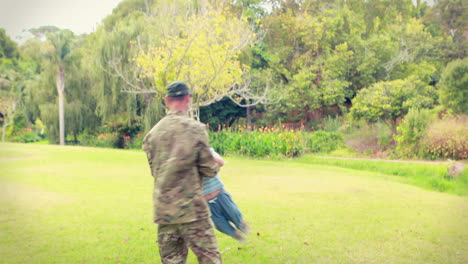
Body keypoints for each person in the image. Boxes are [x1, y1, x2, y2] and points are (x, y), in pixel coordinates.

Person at [142, 81, 222, 264]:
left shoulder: (152, 135)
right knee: (210, 259)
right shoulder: (196, 130)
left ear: (167, 100)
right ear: (188, 98)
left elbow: (155, 171)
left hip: (165, 212)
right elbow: (209, 170)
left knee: (172, 261)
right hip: (192, 210)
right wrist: (217, 163)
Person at [203, 148, 250, 243]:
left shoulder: (207, 150)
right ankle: (235, 235)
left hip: (220, 195)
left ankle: (243, 227)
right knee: (220, 224)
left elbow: (221, 162)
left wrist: (204, 152)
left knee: (235, 215)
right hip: (205, 202)